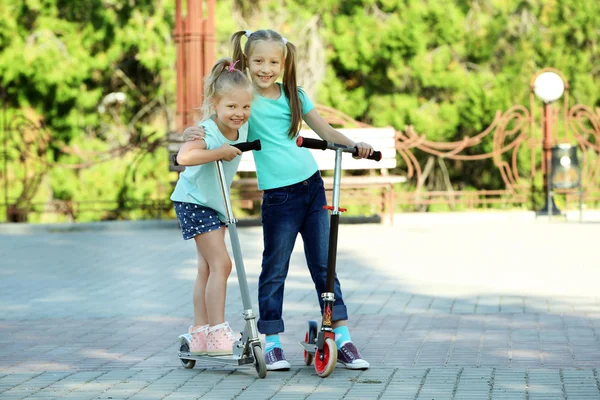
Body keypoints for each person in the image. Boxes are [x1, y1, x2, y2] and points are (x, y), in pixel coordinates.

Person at [183, 29, 373, 370]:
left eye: (273, 61)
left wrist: (354, 145)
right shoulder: (245, 98)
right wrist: (190, 133)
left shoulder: (294, 95)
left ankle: (340, 335)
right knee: (274, 269)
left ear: (284, 63)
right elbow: (216, 119)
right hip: (279, 197)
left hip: (312, 187)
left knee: (324, 265)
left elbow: (326, 132)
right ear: (246, 61)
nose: (266, 68)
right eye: (258, 61)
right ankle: (270, 341)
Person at [171, 57, 253, 357]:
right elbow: (184, 157)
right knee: (223, 264)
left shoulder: (242, 127)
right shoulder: (207, 130)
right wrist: (216, 150)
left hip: (213, 203)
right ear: (215, 104)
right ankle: (218, 331)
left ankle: (201, 334)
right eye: (231, 107)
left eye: (245, 107)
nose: (239, 113)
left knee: (206, 267)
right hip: (194, 202)